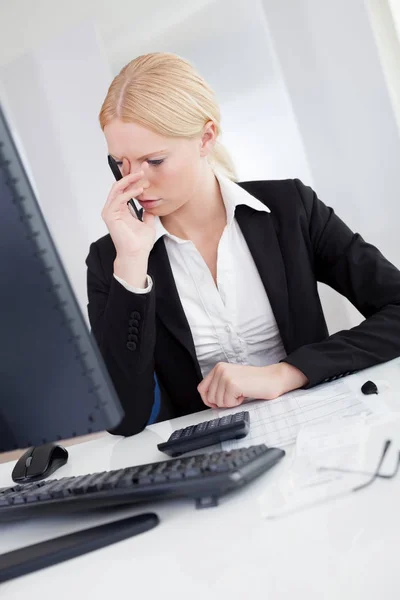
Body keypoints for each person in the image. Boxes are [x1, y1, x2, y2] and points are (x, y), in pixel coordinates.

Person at [86, 52, 400, 437]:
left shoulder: (290, 209)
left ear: (206, 138)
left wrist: (287, 373)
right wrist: (132, 266)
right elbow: (124, 418)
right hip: (209, 465)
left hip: (325, 438)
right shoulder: (110, 260)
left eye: (154, 160)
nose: (134, 182)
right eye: (120, 163)